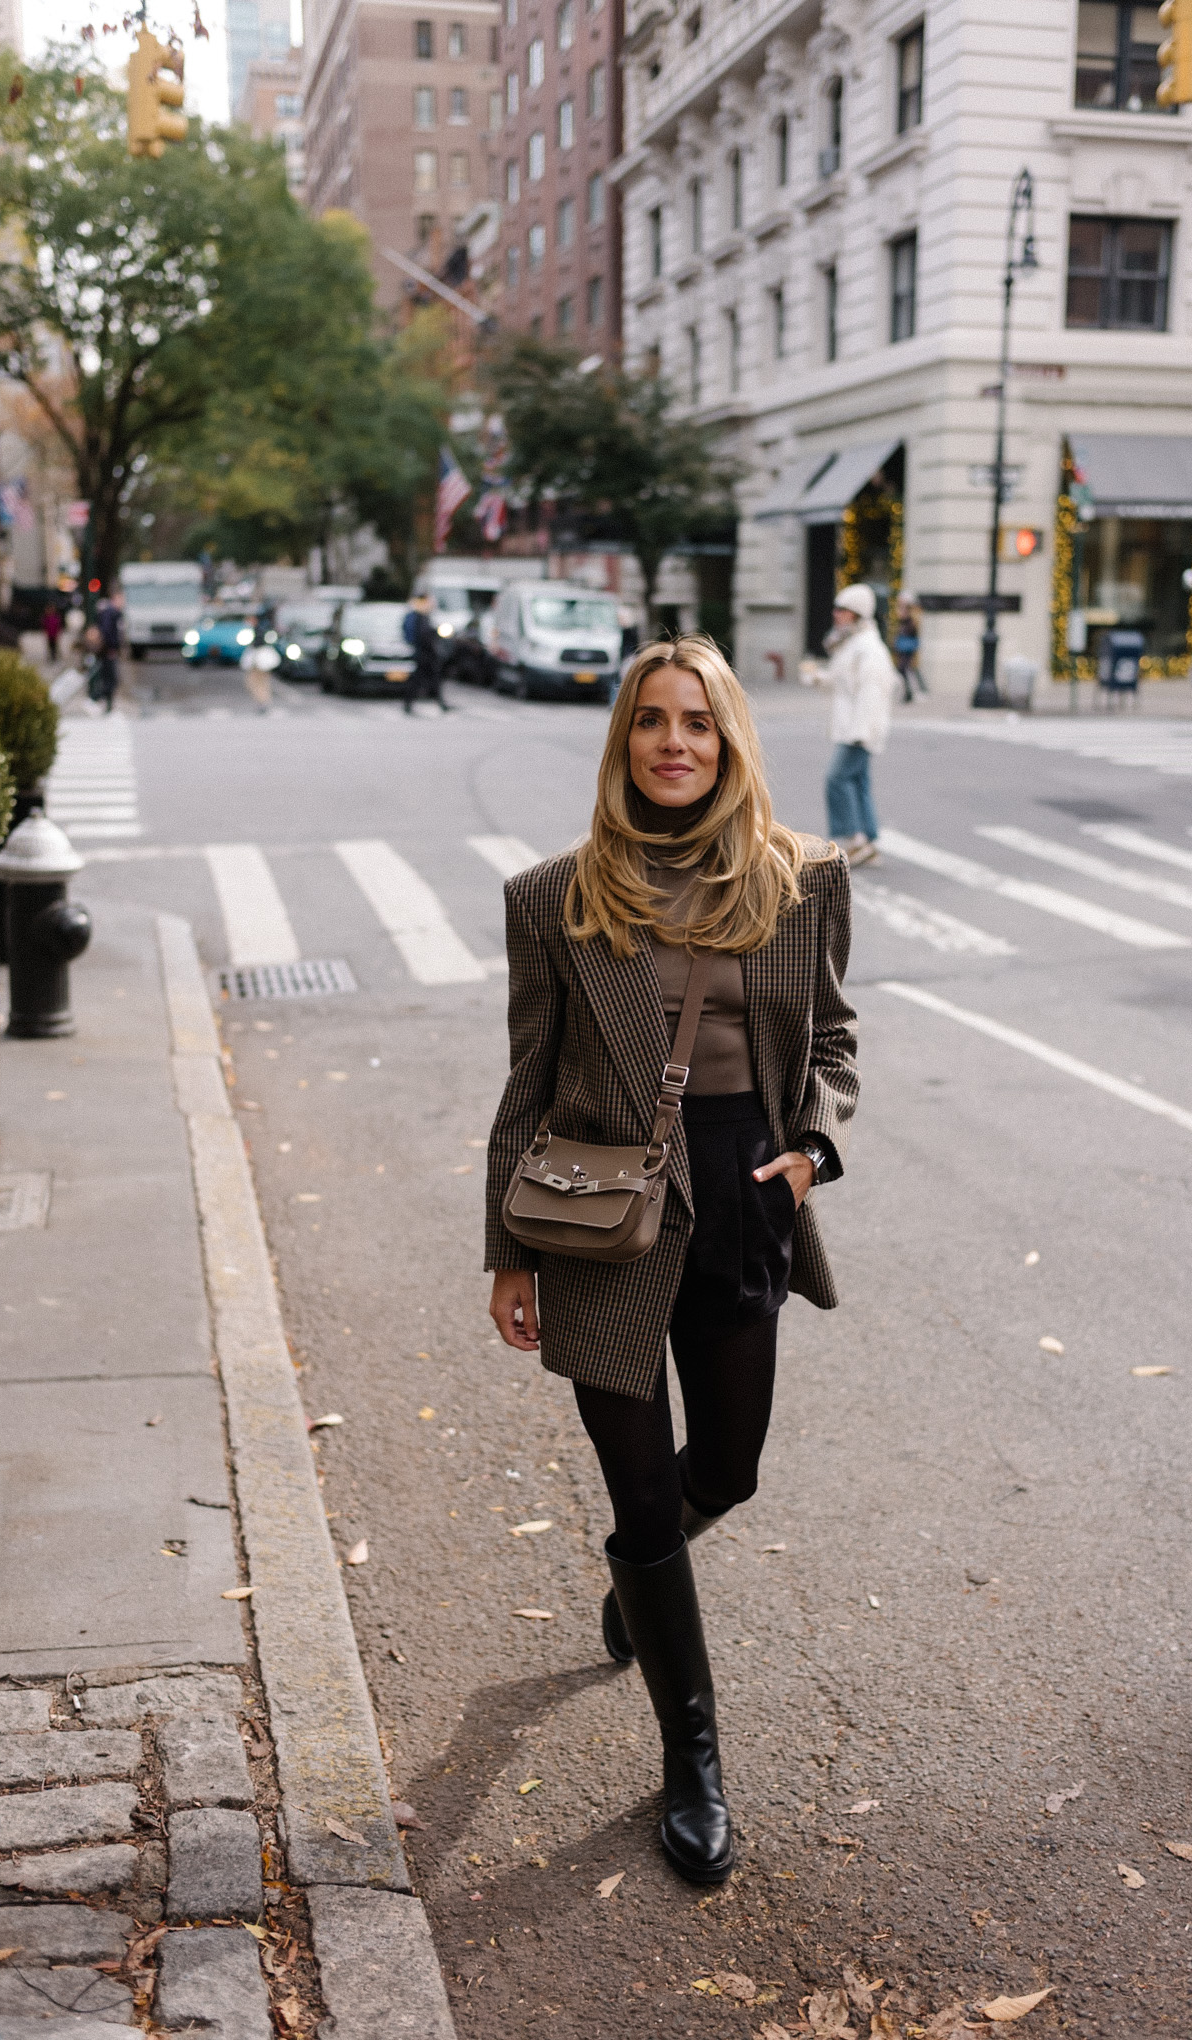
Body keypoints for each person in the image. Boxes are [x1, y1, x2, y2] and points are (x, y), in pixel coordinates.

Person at [486, 635, 859, 1886]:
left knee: (731, 1468)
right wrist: (506, 1254)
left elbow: (838, 1040)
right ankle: (691, 1762)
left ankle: (642, 1588)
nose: (673, 743)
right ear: (623, 741)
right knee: (642, 1494)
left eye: (696, 722)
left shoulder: (798, 878)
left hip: (744, 1191)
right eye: (650, 721)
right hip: (602, 1215)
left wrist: (808, 1145)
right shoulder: (554, 896)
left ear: (730, 737)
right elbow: (526, 1080)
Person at [822, 583, 895, 867]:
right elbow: (843, 682)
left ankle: (855, 840)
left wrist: (861, 731)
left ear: (856, 615)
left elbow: (872, 693)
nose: (836, 614)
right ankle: (867, 840)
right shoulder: (852, 643)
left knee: (837, 779)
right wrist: (819, 679)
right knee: (857, 781)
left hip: (859, 730)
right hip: (851, 726)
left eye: (842, 610)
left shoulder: (869, 648)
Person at [401, 594, 445, 713]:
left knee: (431, 678)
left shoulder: (420, 615)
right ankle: (409, 704)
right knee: (420, 679)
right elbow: (424, 635)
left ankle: (440, 703)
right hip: (425, 654)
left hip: (423, 653)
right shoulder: (420, 615)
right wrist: (434, 634)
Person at [90, 587, 123, 712]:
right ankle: (95, 698)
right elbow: (107, 631)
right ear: (115, 599)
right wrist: (112, 647)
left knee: (109, 678)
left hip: (107, 650)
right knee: (110, 678)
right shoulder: (110, 613)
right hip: (108, 651)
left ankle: (107, 704)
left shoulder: (111, 612)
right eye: (121, 599)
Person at [891, 588, 926, 701]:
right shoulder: (906, 612)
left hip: (908, 645)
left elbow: (913, 627)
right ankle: (910, 692)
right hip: (903, 644)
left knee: (905, 667)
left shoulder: (913, 613)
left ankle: (911, 692)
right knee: (907, 668)